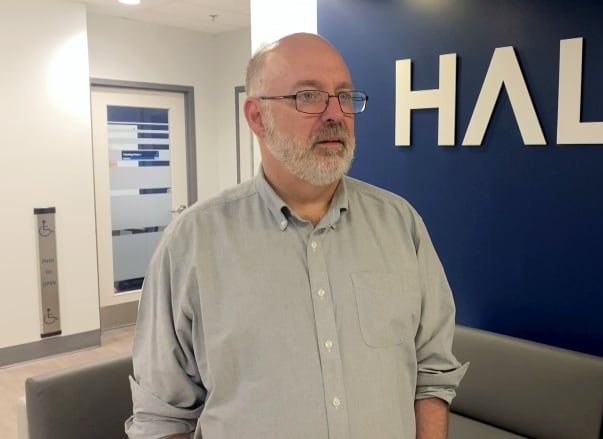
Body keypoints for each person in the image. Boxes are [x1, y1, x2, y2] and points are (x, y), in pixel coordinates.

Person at [125, 32, 468, 439]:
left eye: (344, 96)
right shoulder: (192, 243)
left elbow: (431, 371)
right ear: (256, 117)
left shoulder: (400, 225)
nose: (335, 115)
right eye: (308, 96)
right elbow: (163, 417)